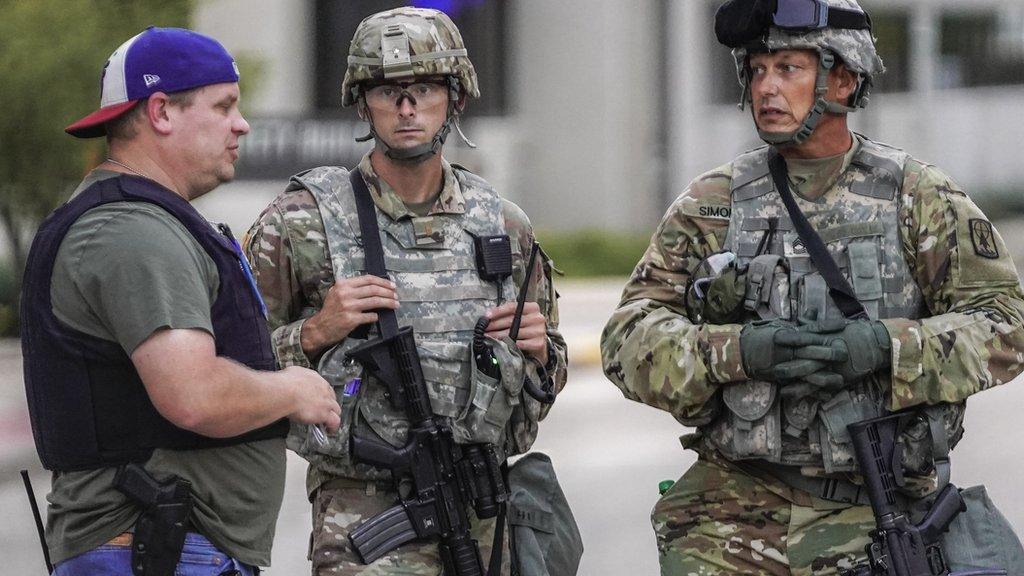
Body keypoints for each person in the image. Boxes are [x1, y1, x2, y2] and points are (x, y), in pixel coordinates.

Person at [601, 0, 1024, 574]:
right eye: (757, 70)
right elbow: (626, 339)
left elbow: (1005, 322)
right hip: (731, 514)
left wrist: (886, 349)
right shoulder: (713, 203)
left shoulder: (917, 196)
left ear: (844, 79)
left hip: (875, 512)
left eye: (788, 69)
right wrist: (737, 353)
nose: (766, 88)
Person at [244, 7, 567, 576]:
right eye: (387, 90)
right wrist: (316, 332)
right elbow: (234, 369)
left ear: (456, 98)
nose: (406, 106)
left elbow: (547, 379)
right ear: (362, 102)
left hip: (481, 506)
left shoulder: (502, 225)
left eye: (423, 88)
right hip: (362, 516)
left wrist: (540, 354)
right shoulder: (303, 223)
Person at [21, 27, 341, 576]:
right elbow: (193, 395)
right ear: (162, 112)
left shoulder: (145, 221)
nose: (241, 124)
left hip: (166, 547)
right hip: (155, 548)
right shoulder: (132, 230)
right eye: (223, 106)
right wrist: (292, 390)